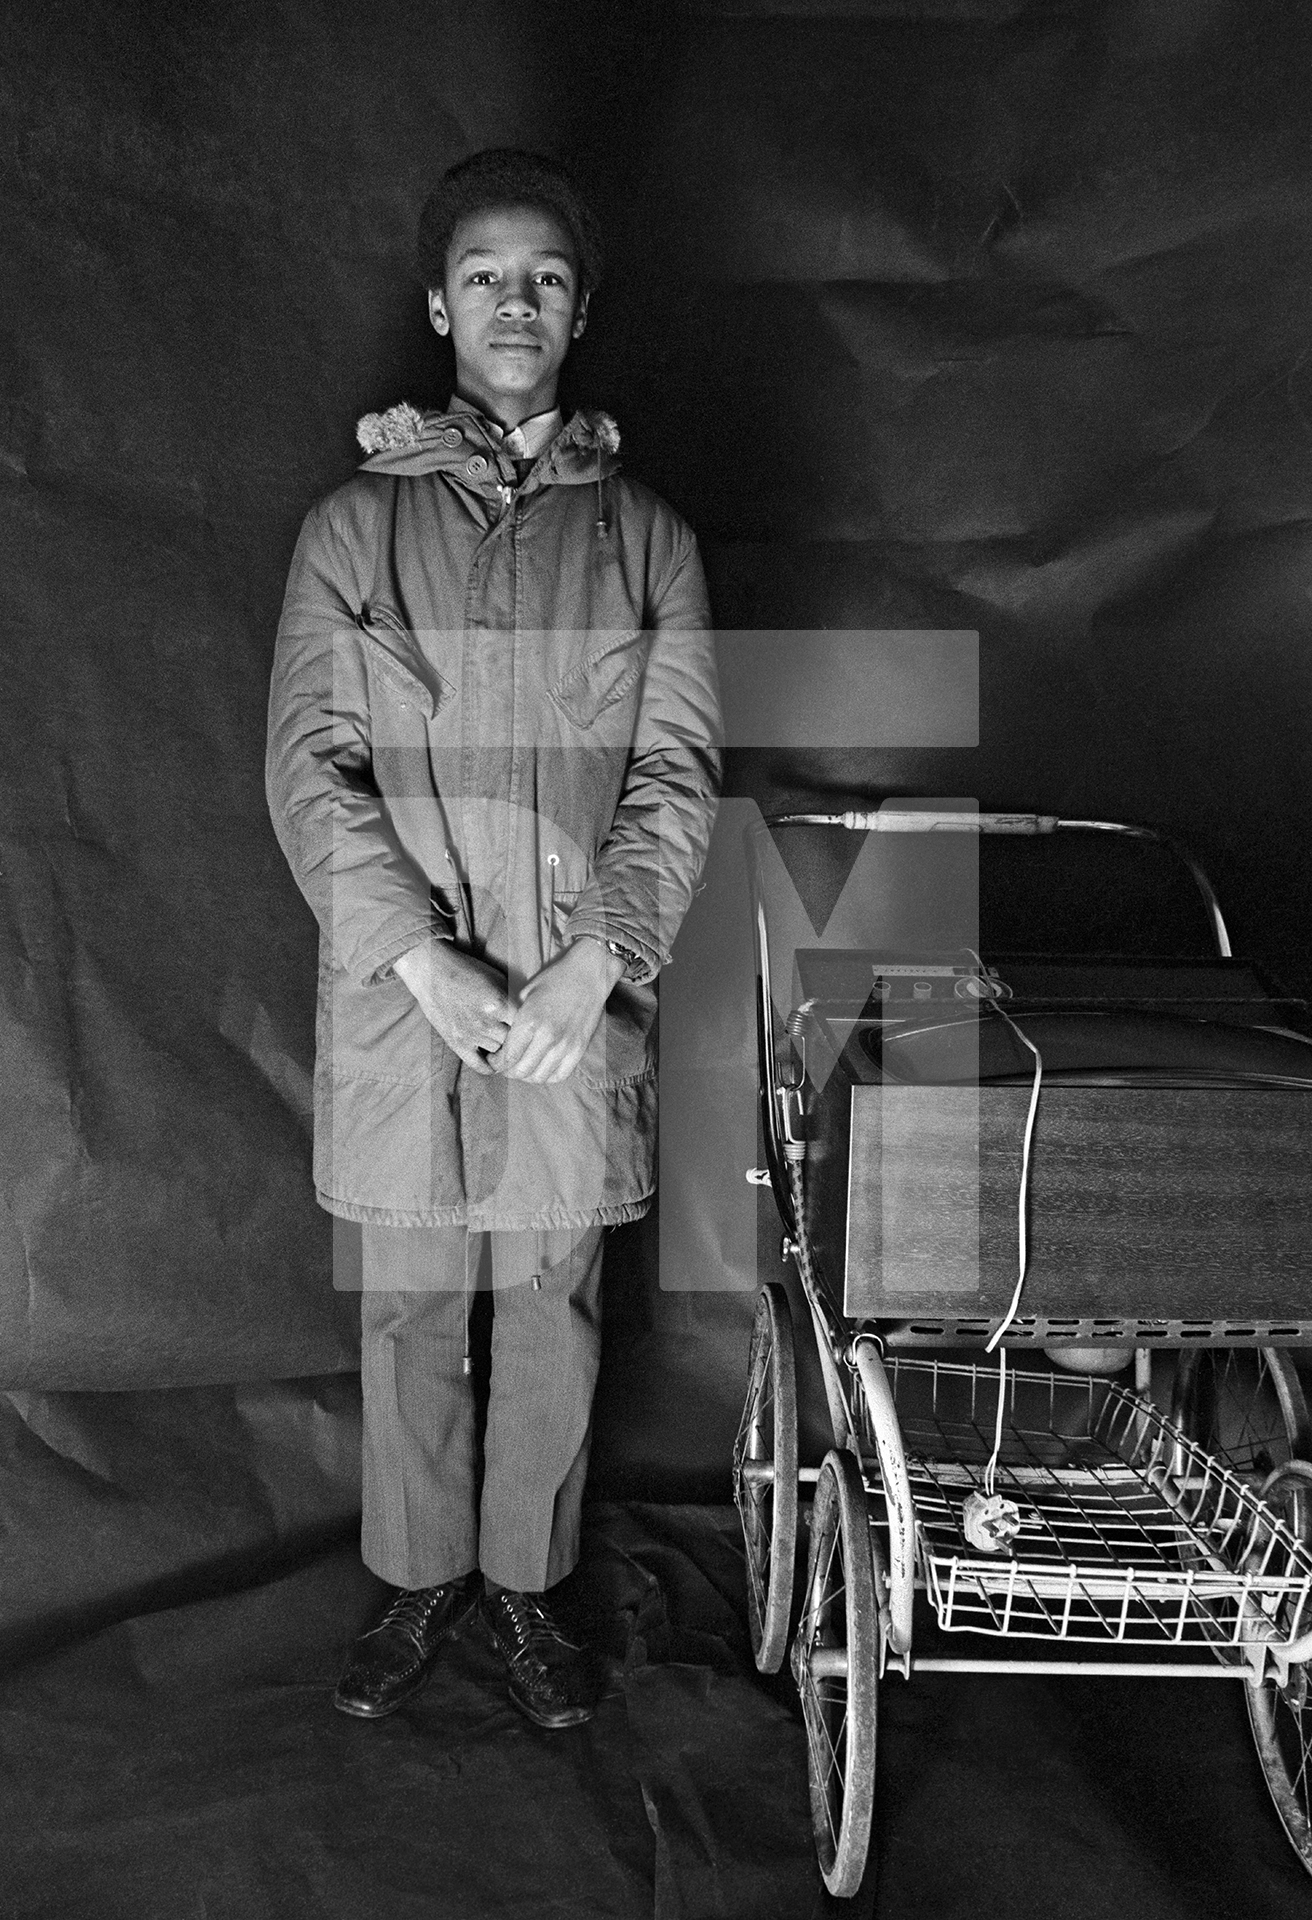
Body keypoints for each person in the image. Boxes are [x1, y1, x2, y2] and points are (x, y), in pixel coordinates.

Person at [265, 148, 721, 1730]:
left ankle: (526, 1591)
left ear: (577, 307)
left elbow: (675, 773)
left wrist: (599, 962)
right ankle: (418, 1576)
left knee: (550, 1299)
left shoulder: (648, 539)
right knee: (404, 1302)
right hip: (407, 1003)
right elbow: (308, 769)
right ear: (436, 302)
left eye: (542, 275)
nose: (512, 299)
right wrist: (423, 959)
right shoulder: (350, 531)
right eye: (483, 272)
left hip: (573, 1001)